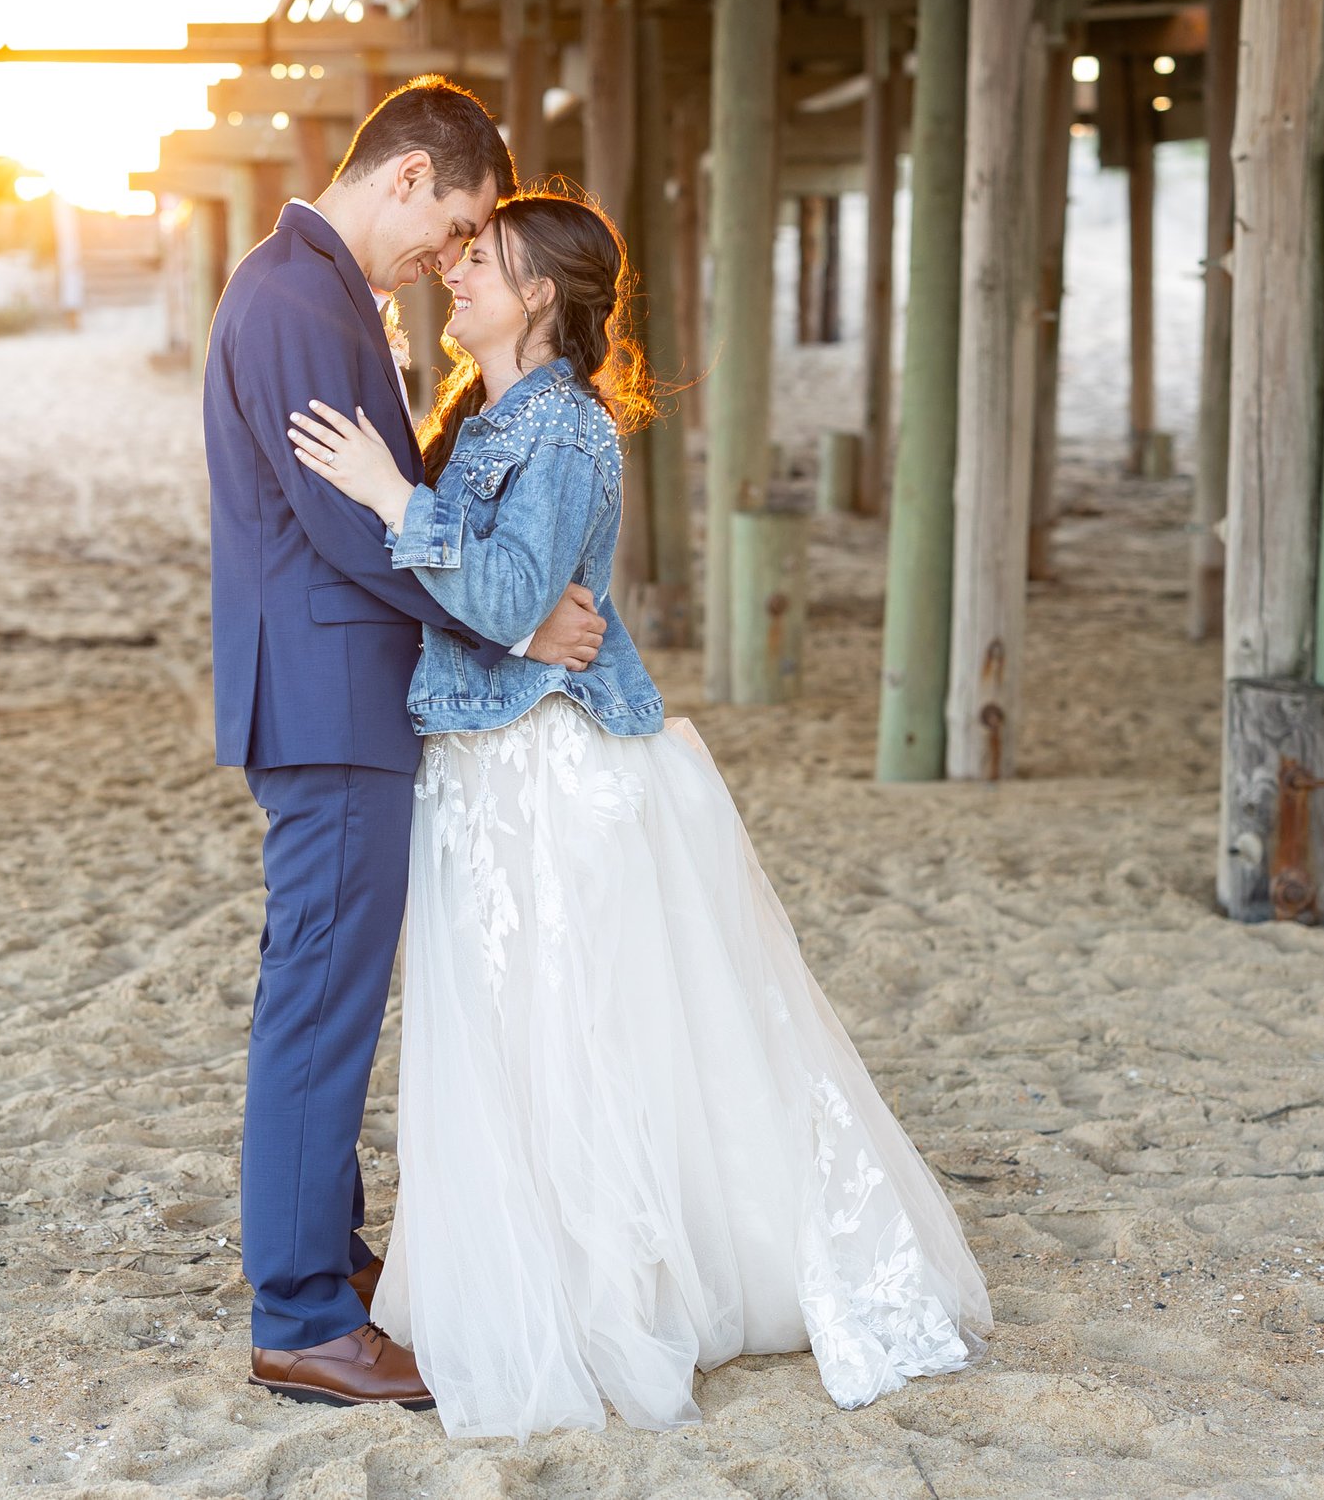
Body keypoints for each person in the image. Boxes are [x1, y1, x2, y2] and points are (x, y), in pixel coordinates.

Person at [284, 190, 992, 1440]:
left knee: (570, 1028)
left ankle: (608, 1285)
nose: (455, 273)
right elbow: (489, 592)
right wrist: (407, 452)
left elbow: (504, 592)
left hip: (545, 771)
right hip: (481, 763)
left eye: (482, 261)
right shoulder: (488, 410)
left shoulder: (565, 428)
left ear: (541, 294)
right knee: (513, 1036)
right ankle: (537, 1266)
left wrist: (393, 494)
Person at [202, 77, 609, 1411]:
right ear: (411, 177)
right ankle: (303, 1311)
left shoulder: (311, 290)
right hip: (328, 700)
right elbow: (346, 524)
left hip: (339, 692)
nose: (450, 257)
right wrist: (510, 621)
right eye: (458, 225)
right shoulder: (296, 296)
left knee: (334, 993)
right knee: (319, 1001)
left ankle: (335, 1260)